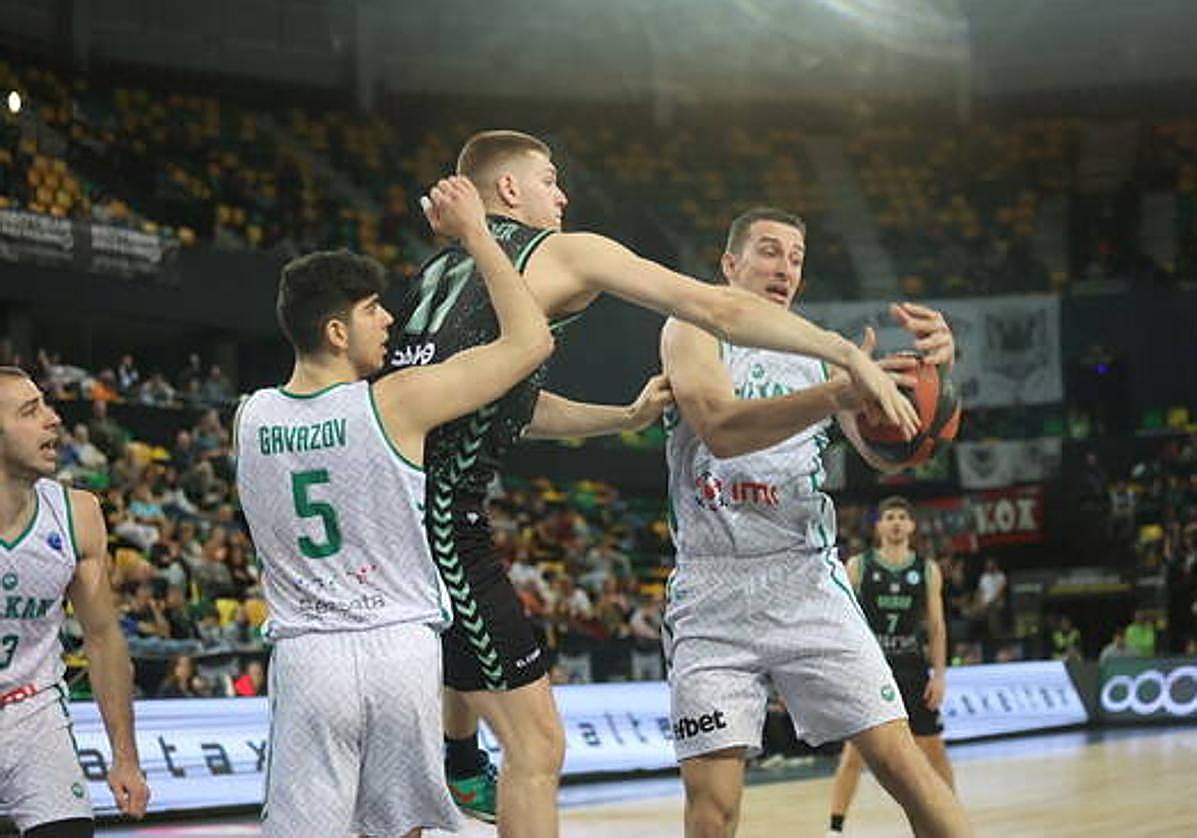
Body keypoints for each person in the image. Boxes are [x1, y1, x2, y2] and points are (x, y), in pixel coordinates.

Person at [384, 130, 921, 834]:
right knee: (535, 745)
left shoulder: (435, 274)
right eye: (549, 179)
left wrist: (622, 418)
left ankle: (452, 757)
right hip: (437, 520)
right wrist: (846, 352)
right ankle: (455, 762)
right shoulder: (562, 251)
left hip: (382, 511)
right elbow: (717, 309)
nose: (563, 194)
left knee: (398, 752)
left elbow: (493, 401)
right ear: (510, 191)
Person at [235, 175, 553, 838]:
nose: (390, 320)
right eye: (374, 310)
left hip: (309, 654)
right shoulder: (396, 400)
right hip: (399, 650)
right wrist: (476, 237)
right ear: (335, 329)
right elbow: (530, 343)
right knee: (401, 829)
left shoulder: (250, 416)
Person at [658, 208, 970, 837]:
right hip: (710, 592)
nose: (785, 268)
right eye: (769, 251)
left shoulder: (820, 357)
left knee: (907, 769)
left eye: (796, 258)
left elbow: (887, 450)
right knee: (711, 814)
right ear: (730, 265)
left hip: (804, 577)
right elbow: (718, 428)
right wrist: (839, 391)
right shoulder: (691, 329)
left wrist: (933, 380)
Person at [0, 366, 150, 835]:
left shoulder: (77, 513)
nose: (54, 419)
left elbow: (104, 639)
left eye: (45, 404)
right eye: (31, 411)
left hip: (32, 712)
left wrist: (125, 759)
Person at [828, 496, 957, 836]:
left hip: (913, 669)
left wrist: (940, 675)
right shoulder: (859, 565)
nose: (897, 522)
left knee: (932, 749)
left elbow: (937, 627)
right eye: (890, 516)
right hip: (873, 671)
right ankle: (835, 828)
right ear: (879, 526)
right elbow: (842, 621)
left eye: (902, 516)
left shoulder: (926, 569)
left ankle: (950, 816)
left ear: (912, 526)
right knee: (855, 751)